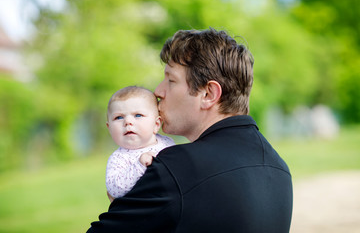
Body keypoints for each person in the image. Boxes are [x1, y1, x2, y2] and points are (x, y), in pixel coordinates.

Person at [88, 28, 293, 233]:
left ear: (208, 94)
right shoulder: (279, 168)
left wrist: (121, 207)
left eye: (171, 80)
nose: (158, 92)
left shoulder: (179, 166)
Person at [105, 86, 175, 201]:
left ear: (156, 124)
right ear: (109, 128)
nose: (128, 122)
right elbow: (114, 190)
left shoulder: (167, 143)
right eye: (119, 117)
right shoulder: (119, 158)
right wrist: (139, 165)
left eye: (138, 115)